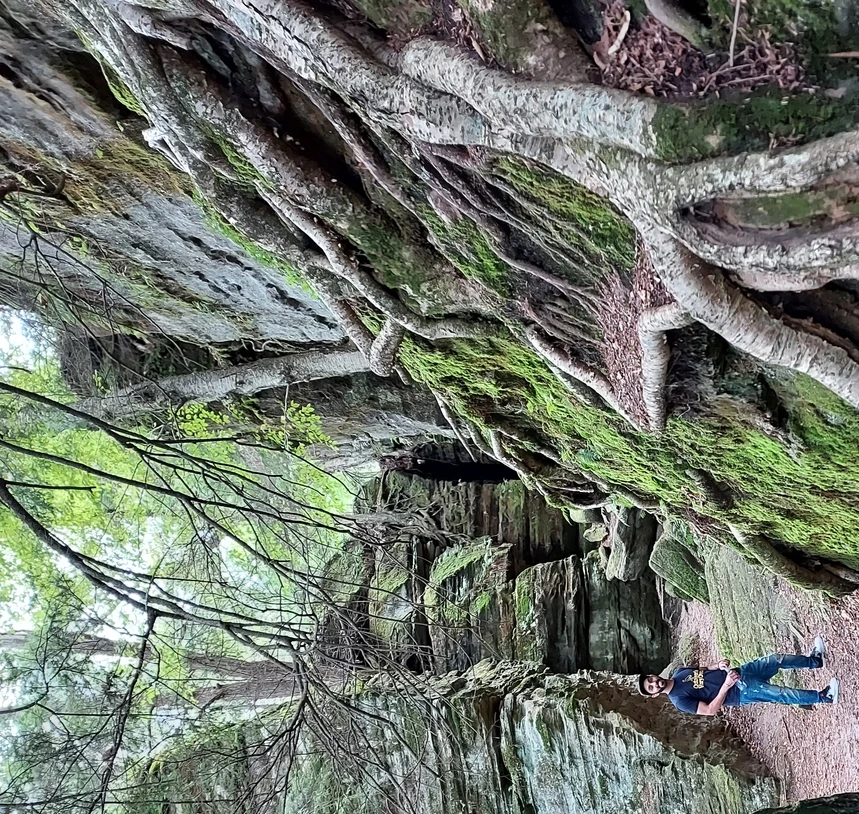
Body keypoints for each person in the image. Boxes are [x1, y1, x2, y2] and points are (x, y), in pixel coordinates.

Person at [637, 636, 839, 715]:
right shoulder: (679, 700)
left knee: (776, 659)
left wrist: (718, 665)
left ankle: (815, 661)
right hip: (740, 692)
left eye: (651, 680)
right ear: (655, 694)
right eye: (652, 687)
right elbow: (709, 710)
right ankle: (824, 697)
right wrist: (725, 686)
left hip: (742, 672)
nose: (655, 683)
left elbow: (704, 670)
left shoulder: (679, 672)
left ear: (654, 675)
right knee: (782, 693)